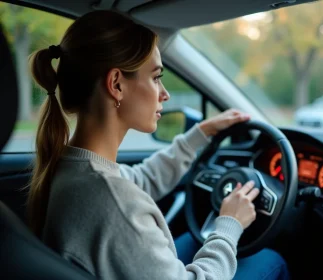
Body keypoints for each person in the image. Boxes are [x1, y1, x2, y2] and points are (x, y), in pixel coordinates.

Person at [27, 10, 289, 280]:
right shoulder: (115, 203)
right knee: (272, 261)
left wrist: (199, 134)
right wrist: (229, 224)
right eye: (155, 77)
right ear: (116, 84)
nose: (164, 94)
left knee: (193, 239)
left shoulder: (70, 167)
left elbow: (140, 179)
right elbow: (124, 199)